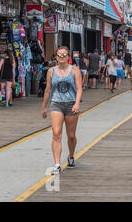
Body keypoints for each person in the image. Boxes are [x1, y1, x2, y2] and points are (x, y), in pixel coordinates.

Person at [42, 46, 83, 175]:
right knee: (56, 133)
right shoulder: (51, 71)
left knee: (71, 135)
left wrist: (77, 104)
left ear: (68, 56)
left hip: (71, 104)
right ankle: (57, 164)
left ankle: (71, 156)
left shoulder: (75, 70)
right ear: (55, 57)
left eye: (64, 55)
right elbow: (47, 90)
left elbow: (79, 88)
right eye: (59, 55)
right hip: (56, 104)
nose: (61, 58)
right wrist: (44, 107)